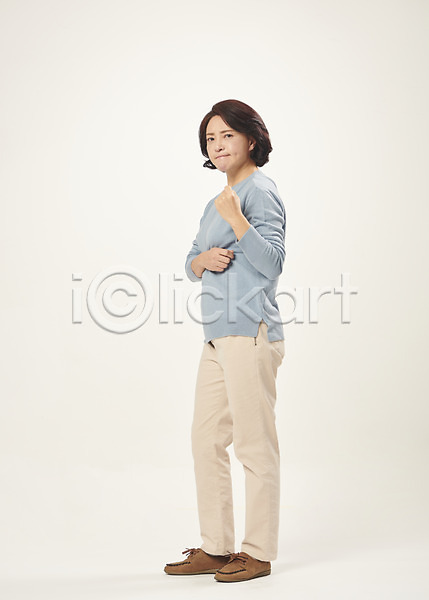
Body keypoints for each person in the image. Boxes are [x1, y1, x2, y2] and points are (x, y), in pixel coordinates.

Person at [164, 99, 286, 583]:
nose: (217, 145)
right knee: (206, 439)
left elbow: (273, 263)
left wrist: (238, 221)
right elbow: (192, 260)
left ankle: (257, 552)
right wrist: (202, 260)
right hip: (216, 337)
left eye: (227, 135)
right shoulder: (217, 199)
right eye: (210, 138)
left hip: (250, 331)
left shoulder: (260, 191)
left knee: (254, 445)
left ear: (251, 139)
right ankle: (216, 548)